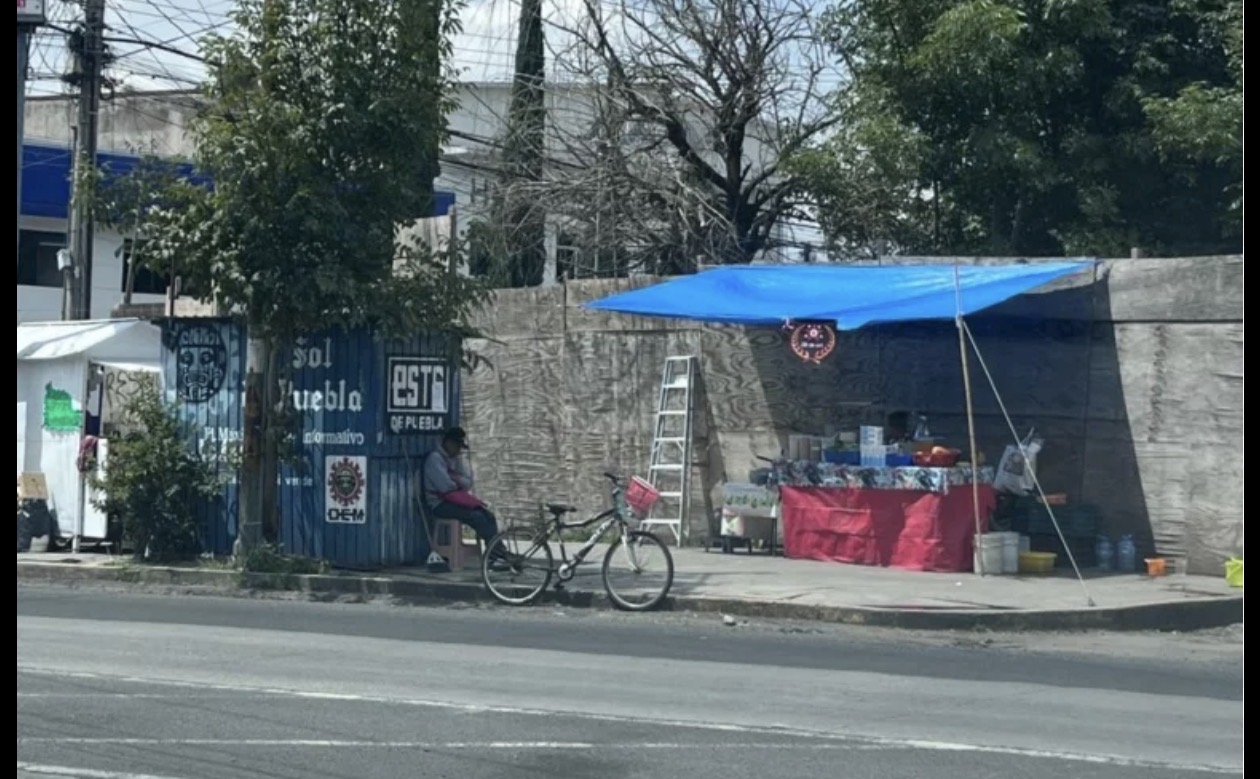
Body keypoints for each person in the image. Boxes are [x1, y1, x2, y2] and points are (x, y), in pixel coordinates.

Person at [422, 427, 500, 548]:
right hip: (440, 504)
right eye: (457, 446)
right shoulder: (435, 459)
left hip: (456, 499)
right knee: (477, 517)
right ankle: (496, 552)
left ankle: (496, 553)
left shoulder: (456, 460)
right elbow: (445, 487)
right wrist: (458, 481)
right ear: (448, 443)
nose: (458, 450)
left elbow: (468, 482)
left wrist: (455, 478)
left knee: (489, 516)